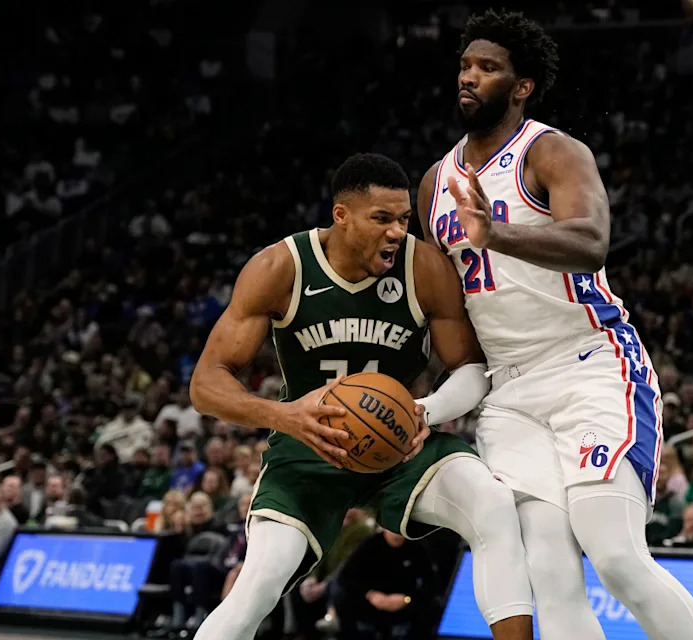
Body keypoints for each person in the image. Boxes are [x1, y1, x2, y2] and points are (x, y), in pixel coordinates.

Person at [417, 9, 693, 639]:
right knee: (549, 570)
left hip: (590, 364)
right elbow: (447, 313)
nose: (470, 77)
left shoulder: (551, 150)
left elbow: (591, 241)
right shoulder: (433, 184)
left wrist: (495, 231)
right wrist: (425, 401)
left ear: (521, 86)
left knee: (616, 556)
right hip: (508, 390)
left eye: (488, 67)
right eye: (465, 66)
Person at [190, 153, 533, 640]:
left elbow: (471, 368)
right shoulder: (279, 267)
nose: (397, 231)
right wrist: (284, 416)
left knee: (493, 502)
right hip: (311, 444)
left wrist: (422, 412)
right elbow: (205, 385)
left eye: (403, 219)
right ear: (341, 215)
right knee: (257, 585)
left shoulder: (424, 267)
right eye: (382, 218)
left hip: (398, 440)